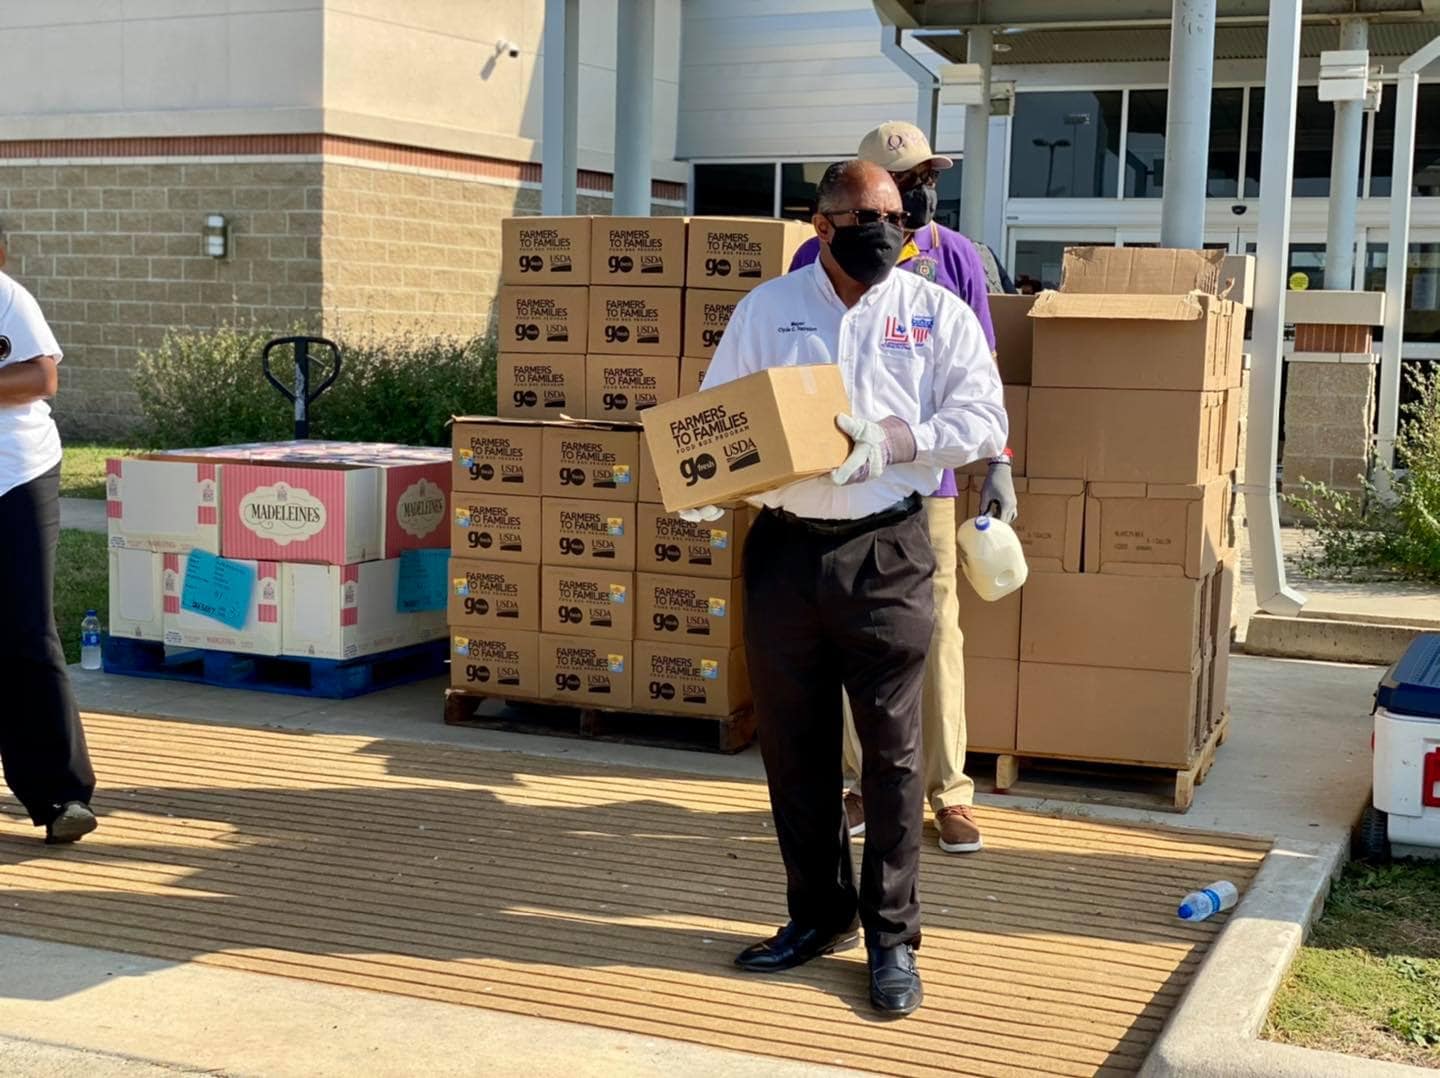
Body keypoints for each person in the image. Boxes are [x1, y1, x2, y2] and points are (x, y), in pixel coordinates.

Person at [687, 160, 1006, 1016]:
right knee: (794, 751)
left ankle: (892, 941)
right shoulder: (769, 311)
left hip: (887, 550)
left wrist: (896, 440)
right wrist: (705, 489)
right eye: (868, 215)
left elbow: (982, 421)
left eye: (897, 215)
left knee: (896, 758)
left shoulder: (931, 312)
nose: (887, 229)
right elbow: (724, 420)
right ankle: (815, 916)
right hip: (787, 552)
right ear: (821, 226)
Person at [790, 121, 1017, 855]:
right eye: (906, 182)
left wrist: (1001, 462)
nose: (920, 194)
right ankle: (858, 784)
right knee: (853, 636)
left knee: (935, 634)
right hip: (836, 487)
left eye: (925, 180)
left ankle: (949, 794)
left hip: (927, 484)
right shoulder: (809, 258)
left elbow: (980, 372)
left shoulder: (956, 258)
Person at [0, 240, 97, 844]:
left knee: (24, 631)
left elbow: (41, 376)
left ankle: (60, 796)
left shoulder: (6, 297)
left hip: (15, 477)